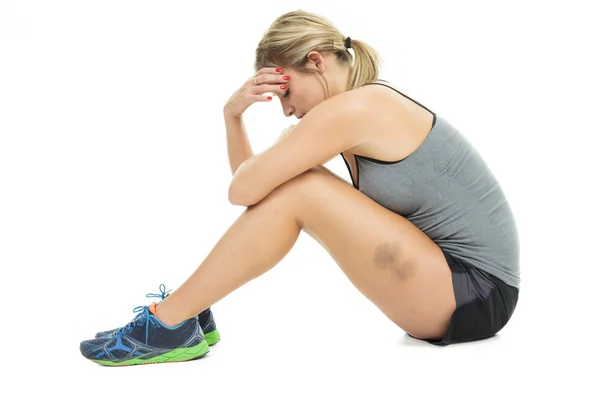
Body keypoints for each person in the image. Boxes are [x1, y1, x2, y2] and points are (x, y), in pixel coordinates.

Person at [80, 9, 520, 366]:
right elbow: (257, 189)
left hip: (473, 293)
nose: (287, 111)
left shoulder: (360, 107)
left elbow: (245, 189)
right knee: (294, 184)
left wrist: (236, 124)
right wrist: (232, 117)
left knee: (302, 186)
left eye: (286, 92)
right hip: (452, 287)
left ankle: (170, 321)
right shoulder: (351, 109)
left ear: (315, 62)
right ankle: (184, 314)